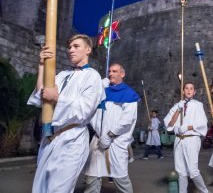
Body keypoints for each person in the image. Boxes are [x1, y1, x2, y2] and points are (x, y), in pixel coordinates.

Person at [27, 34, 103, 193]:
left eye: (76, 46)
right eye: (69, 47)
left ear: (88, 50)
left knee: (58, 189)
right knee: (41, 188)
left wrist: (56, 97)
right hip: (49, 138)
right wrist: (42, 65)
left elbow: (85, 109)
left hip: (72, 139)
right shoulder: (62, 75)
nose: (70, 50)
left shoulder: (93, 77)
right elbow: (42, 94)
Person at [84, 63, 140, 193]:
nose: (110, 74)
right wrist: (97, 89)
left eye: (115, 71)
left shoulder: (129, 94)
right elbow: (91, 111)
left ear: (122, 74)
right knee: (92, 178)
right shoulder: (102, 91)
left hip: (116, 143)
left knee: (121, 180)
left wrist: (109, 135)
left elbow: (126, 121)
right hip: (98, 140)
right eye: (109, 71)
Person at [164, 82, 209, 193]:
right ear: (183, 91)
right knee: (180, 171)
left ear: (194, 92)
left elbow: (203, 123)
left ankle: (205, 192)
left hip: (192, 139)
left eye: (191, 88)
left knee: (193, 171)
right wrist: (178, 110)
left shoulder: (198, 105)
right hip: (179, 139)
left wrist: (188, 127)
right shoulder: (178, 105)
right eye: (186, 88)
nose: (189, 90)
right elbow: (169, 124)